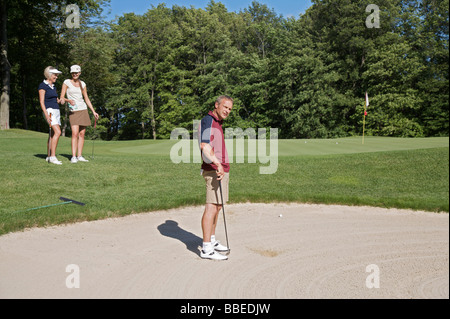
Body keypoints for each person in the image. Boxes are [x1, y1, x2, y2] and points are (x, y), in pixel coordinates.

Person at [198, 95, 234, 260]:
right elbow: (204, 146)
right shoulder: (208, 120)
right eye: (225, 107)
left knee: (218, 207)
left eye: (229, 109)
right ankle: (206, 248)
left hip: (220, 170)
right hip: (213, 170)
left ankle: (211, 240)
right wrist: (217, 164)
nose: (227, 111)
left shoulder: (218, 123)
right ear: (216, 105)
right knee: (211, 207)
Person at [60, 65, 99, 163]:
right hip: (73, 111)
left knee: (82, 134)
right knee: (75, 133)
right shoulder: (66, 82)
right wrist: (68, 100)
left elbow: (86, 98)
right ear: (71, 73)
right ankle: (73, 157)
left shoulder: (83, 84)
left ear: (80, 73)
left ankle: (79, 156)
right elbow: (61, 97)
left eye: (76, 72)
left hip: (83, 109)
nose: (75, 74)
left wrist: (93, 111)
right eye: (73, 72)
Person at [39, 66, 64, 165]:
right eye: (55, 75)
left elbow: (56, 99)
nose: (56, 77)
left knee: (53, 134)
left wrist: (62, 100)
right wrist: (46, 115)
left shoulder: (54, 86)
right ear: (49, 74)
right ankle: (53, 157)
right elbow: (41, 102)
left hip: (56, 110)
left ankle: (49, 156)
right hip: (49, 111)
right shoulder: (42, 85)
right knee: (58, 132)